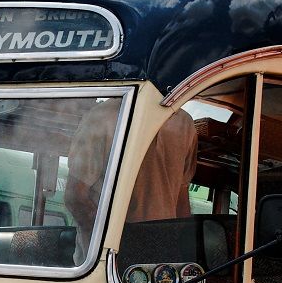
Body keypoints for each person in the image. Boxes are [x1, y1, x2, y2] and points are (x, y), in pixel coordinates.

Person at [65, 101, 198, 261]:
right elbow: (75, 197)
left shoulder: (185, 124)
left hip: (159, 263)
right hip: (105, 263)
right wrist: (111, 245)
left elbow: (181, 201)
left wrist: (180, 254)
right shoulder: (105, 116)